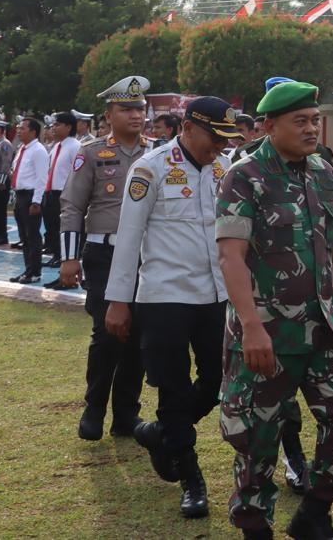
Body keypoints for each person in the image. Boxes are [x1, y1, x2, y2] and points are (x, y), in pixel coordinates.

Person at [216, 80, 333, 540]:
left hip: (324, 324)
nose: (310, 129)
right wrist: (250, 328)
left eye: (314, 120)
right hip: (267, 331)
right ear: (269, 126)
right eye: (299, 121)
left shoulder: (323, 171)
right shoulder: (244, 175)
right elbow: (231, 257)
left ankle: (315, 514)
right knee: (257, 436)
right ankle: (253, 525)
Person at [104, 97, 238, 520]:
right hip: (164, 297)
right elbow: (128, 236)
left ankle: (163, 433)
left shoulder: (222, 169)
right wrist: (118, 301)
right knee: (173, 386)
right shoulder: (151, 168)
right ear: (190, 127)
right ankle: (190, 477)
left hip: (215, 295)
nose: (219, 145)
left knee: (219, 377)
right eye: (215, 136)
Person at [58, 75, 153, 441]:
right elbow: (72, 205)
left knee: (139, 335)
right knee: (107, 333)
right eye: (126, 108)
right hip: (104, 253)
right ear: (109, 114)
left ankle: (126, 413)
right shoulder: (92, 152)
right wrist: (70, 258)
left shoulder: (157, 152)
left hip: (146, 256)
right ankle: (94, 406)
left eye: (140, 108)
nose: (135, 115)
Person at [8, 116, 48, 284]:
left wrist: (36, 201)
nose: (19, 130)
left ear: (33, 131)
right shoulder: (22, 149)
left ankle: (35, 272)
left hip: (31, 196)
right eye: (18, 128)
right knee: (24, 236)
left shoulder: (38, 150)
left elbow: (41, 178)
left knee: (32, 236)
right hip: (21, 195)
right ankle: (28, 270)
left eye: (22, 128)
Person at [42, 112, 81, 264]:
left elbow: (77, 173)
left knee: (63, 227)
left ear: (68, 127)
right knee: (52, 226)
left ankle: (65, 257)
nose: (53, 128)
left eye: (57, 125)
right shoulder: (57, 146)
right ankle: (57, 255)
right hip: (51, 192)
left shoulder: (75, 146)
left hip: (65, 193)